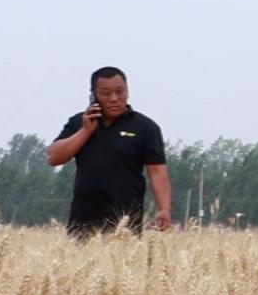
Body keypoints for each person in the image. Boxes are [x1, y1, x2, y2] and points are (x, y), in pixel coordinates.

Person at [50, 67, 173, 237]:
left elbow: (157, 172)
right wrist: (85, 131)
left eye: (119, 92)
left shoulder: (146, 127)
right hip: (83, 218)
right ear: (93, 95)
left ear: (128, 92)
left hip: (126, 220)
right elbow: (54, 157)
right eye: (106, 93)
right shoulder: (79, 122)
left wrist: (164, 208)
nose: (114, 98)